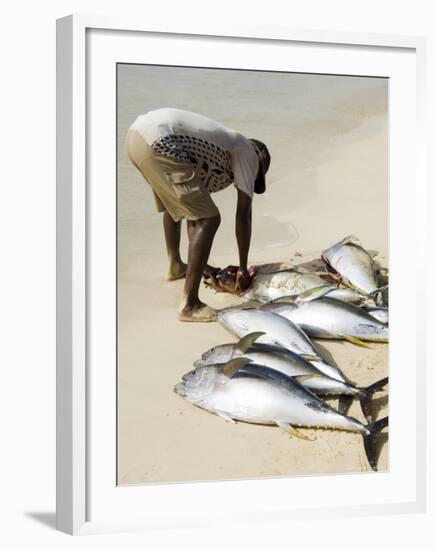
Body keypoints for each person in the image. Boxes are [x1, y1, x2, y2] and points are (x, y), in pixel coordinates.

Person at [126, 108, 271, 322]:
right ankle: (189, 304)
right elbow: (243, 215)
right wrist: (242, 269)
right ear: (259, 161)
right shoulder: (248, 151)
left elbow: (189, 209)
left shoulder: (219, 152)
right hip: (162, 141)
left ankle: (175, 265)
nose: (250, 179)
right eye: (256, 175)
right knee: (210, 219)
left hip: (136, 137)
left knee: (177, 207)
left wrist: (203, 266)